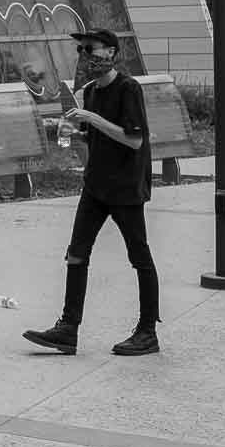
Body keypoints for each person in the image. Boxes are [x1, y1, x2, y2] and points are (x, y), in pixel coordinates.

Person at [23, 28, 161, 356]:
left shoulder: (128, 88)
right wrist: (74, 130)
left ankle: (147, 331)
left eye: (92, 49)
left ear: (111, 53)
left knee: (139, 256)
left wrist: (93, 119)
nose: (85, 55)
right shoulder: (91, 92)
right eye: (82, 49)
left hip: (125, 187)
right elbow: (95, 135)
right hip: (96, 185)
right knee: (76, 254)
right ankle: (67, 329)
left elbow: (134, 139)